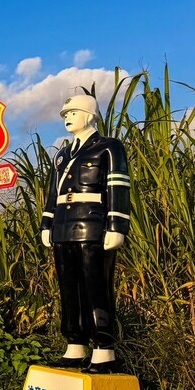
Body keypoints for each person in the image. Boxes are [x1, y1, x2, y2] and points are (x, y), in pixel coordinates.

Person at [40, 92, 131, 374]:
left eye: (73, 112)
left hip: (93, 226)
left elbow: (118, 187)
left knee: (96, 285)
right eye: (65, 114)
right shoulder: (62, 155)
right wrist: (47, 223)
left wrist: (116, 226)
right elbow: (53, 192)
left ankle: (104, 348)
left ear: (90, 115)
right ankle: (75, 343)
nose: (67, 118)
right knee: (68, 288)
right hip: (63, 227)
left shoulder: (109, 147)